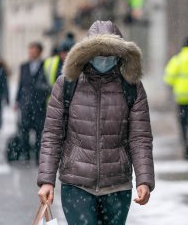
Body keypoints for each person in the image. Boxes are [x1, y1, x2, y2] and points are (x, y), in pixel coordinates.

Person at [37, 20, 155, 225]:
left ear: (119, 55)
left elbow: (140, 137)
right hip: (76, 185)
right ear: (87, 53)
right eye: (98, 53)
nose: (104, 59)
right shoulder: (67, 84)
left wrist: (144, 180)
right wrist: (47, 180)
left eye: (110, 54)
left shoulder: (131, 87)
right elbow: (52, 135)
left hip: (117, 186)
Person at [15, 42, 50, 163]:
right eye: (30, 50)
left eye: (34, 50)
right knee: (24, 130)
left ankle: (37, 156)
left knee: (39, 131)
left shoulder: (45, 65)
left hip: (39, 104)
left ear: (39, 52)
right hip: (25, 104)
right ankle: (26, 155)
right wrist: (17, 101)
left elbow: (48, 84)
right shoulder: (24, 66)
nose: (31, 52)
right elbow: (20, 84)